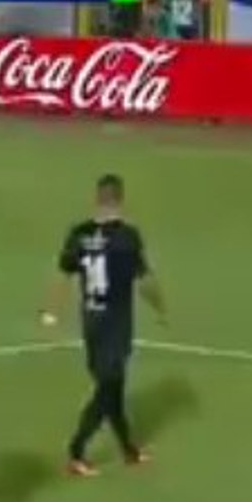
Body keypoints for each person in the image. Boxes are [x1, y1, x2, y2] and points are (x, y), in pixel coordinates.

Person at [42, 174, 166, 476]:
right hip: (116, 324)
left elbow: (63, 274)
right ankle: (76, 451)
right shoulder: (127, 237)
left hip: (91, 322)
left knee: (113, 389)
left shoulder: (80, 234)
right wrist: (160, 307)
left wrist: (52, 312)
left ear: (97, 199)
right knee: (108, 388)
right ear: (120, 200)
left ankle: (129, 450)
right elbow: (144, 280)